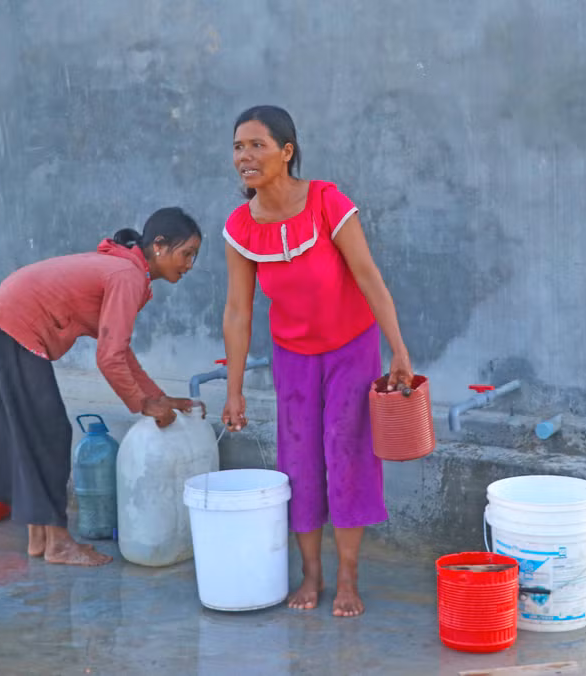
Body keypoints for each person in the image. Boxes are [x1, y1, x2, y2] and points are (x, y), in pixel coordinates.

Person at [220, 105, 414, 616]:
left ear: (286, 152)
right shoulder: (240, 227)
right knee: (299, 463)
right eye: (238, 146)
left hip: (352, 348)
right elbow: (238, 313)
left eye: (256, 145)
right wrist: (234, 389)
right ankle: (312, 576)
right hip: (292, 358)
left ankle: (348, 579)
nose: (245, 155)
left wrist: (398, 348)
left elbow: (368, 275)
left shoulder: (328, 202)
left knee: (347, 455)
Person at [0, 207, 203, 566]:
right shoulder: (127, 276)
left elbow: (120, 351)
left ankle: (40, 537)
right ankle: (58, 542)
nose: (190, 264)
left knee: (33, 431)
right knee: (48, 431)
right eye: (186, 253)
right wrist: (142, 405)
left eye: (195, 256)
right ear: (159, 246)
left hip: (2, 322)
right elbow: (109, 357)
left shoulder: (128, 272)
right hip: (13, 324)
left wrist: (159, 398)